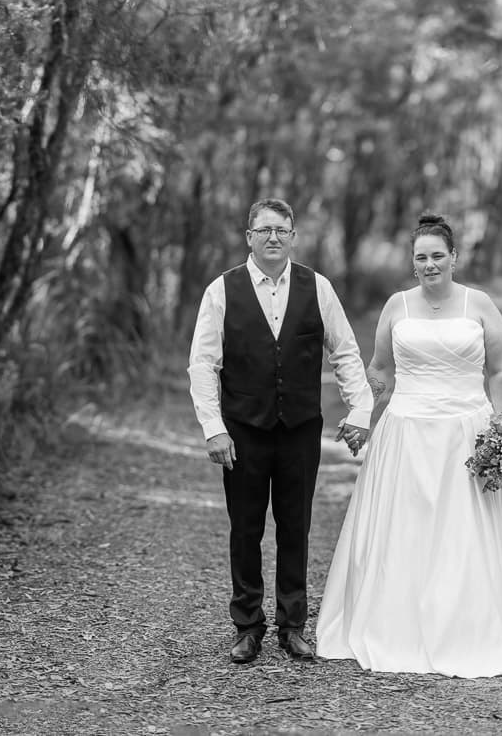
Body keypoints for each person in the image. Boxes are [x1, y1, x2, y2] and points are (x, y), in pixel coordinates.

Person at [314, 208, 502, 678]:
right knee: (406, 528)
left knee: (465, 532)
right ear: (412, 263)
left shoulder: (480, 305)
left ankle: (472, 622)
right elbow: (381, 371)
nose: (429, 264)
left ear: (454, 257)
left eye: (437, 256)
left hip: (466, 432)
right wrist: (359, 412)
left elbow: (499, 372)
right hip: (406, 430)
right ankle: (398, 624)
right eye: (420, 258)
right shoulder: (397, 306)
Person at [187, 197, 373, 666]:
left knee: (296, 528)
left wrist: (360, 408)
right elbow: (203, 364)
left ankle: (293, 627)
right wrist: (214, 428)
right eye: (264, 229)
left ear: (292, 237)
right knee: (246, 530)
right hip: (243, 430)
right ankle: (248, 626)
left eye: (282, 230)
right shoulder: (222, 290)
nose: (273, 237)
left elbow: (346, 353)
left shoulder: (318, 287)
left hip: (299, 429)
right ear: (249, 236)